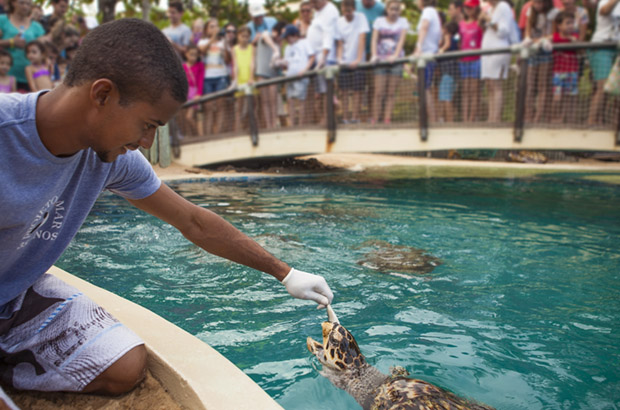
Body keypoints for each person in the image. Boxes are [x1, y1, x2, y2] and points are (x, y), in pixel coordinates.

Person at [0, 18, 333, 403]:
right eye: (148, 124)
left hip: (14, 297)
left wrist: (285, 273)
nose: (146, 142)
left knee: (123, 365)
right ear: (102, 94)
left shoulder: (110, 158)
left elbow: (193, 221)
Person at [479, 0, 514, 123]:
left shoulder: (503, 7)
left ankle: (496, 118)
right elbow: (487, 28)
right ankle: (491, 117)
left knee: (496, 84)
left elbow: (503, 31)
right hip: (488, 51)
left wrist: (489, 19)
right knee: (489, 85)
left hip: (498, 49)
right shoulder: (490, 9)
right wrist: (482, 20)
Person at [524, 0, 559, 123]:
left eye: (541, 3)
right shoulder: (530, 11)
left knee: (542, 85)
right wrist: (529, 39)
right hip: (533, 49)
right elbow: (527, 31)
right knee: (530, 84)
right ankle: (528, 115)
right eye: (536, 3)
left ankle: (538, 117)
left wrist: (542, 40)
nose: (538, 6)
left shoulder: (554, 13)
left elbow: (554, 33)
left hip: (545, 49)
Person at [336, 0, 369, 124]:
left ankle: (355, 117)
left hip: (358, 62)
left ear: (354, 9)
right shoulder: (339, 22)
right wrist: (339, 59)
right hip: (345, 61)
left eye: (349, 11)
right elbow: (339, 43)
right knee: (344, 91)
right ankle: (345, 117)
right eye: (345, 11)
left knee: (357, 90)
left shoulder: (361, 18)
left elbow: (362, 38)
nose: (347, 13)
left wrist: (359, 59)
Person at [307, 0, 340, 124]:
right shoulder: (317, 12)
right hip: (317, 58)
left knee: (327, 89)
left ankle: (328, 118)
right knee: (320, 90)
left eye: (314, 2)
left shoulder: (330, 11)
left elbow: (328, 35)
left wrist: (323, 57)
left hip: (326, 57)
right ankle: (324, 117)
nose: (312, 5)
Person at [587, 0, 619, 125]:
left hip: (616, 47)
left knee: (617, 89)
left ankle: (613, 123)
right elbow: (604, 11)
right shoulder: (604, 1)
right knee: (603, 87)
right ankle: (591, 122)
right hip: (601, 46)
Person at [0, 0, 44, 91]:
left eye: (28, 4)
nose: (25, 6)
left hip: (30, 77)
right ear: (13, 2)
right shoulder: (3, 20)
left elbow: (43, 50)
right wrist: (11, 42)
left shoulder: (37, 27)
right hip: (5, 77)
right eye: (21, 3)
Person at [198, 18, 231, 134]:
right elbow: (201, 51)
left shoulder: (223, 42)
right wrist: (213, 38)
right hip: (207, 78)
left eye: (216, 26)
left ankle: (219, 133)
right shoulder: (202, 42)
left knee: (220, 106)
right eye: (212, 26)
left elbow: (227, 60)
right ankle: (207, 134)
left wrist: (225, 44)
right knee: (208, 107)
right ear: (206, 29)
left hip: (221, 76)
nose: (215, 28)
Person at [412, 0, 441, 124]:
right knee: (425, 88)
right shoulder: (434, 12)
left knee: (425, 88)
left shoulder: (428, 11)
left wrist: (418, 48)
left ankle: (432, 120)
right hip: (429, 55)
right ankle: (431, 119)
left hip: (426, 56)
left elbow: (424, 27)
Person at [281, 24, 315, 126]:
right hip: (290, 76)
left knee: (301, 100)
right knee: (290, 99)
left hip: (301, 76)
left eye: (289, 37)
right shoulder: (287, 47)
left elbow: (312, 57)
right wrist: (282, 63)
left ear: (295, 35)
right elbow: (287, 62)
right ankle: (291, 123)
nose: (287, 39)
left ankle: (301, 124)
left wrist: (305, 70)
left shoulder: (304, 43)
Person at [551, 11, 578, 122]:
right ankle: (554, 118)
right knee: (557, 97)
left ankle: (568, 119)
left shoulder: (575, 37)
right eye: (567, 23)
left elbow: (581, 50)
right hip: (558, 72)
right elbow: (543, 40)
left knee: (570, 97)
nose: (570, 26)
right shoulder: (555, 37)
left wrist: (576, 42)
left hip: (572, 71)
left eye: (572, 23)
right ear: (559, 25)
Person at [459, 0, 483, 122]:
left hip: (476, 60)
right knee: (465, 90)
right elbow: (460, 41)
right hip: (463, 60)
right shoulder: (461, 24)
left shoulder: (479, 22)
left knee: (474, 90)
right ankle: (465, 118)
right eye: (466, 7)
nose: (468, 10)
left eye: (470, 7)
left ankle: (472, 117)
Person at [232, 26, 255, 132]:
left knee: (252, 107)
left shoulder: (252, 48)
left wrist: (251, 77)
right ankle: (238, 131)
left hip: (249, 80)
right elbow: (235, 65)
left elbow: (252, 63)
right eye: (242, 36)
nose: (244, 38)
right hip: (240, 80)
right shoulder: (234, 49)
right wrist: (236, 79)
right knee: (239, 109)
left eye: (247, 36)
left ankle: (249, 129)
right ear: (238, 36)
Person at [438, 21, 459, 123]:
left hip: (448, 73)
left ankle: (449, 121)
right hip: (453, 73)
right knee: (446, 96)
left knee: (446, 98)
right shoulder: (456, 40)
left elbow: (447, 44)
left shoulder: (447, 36)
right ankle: (444, 119)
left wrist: (440, 50)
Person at [182, 43, 204, 135]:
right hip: (185, 93)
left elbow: (200, 80)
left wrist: (198, 93)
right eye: (191, 54)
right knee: (184, 117)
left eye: (195, 55)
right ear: (186, 54)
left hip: (194, 93)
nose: (193, 57)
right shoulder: (183, 66)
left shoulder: (200, 65)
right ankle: (189, 135)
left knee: (189, 117)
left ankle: (197, 135)